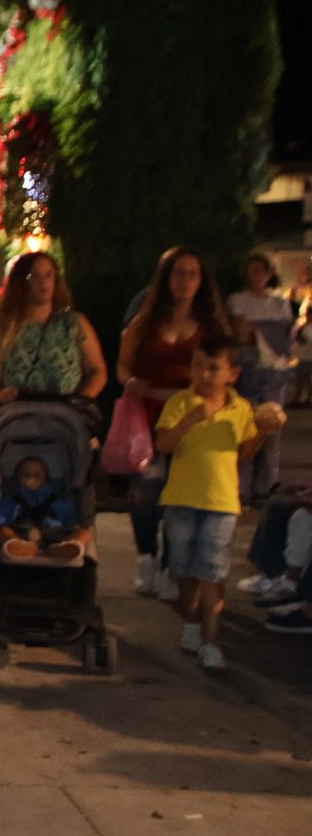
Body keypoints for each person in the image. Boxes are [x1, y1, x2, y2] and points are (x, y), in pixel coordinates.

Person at [152, 333, 279, 671]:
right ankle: (191, 625)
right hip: (181, 499)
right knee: (183, 568)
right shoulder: (180, 402)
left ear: (231, 374)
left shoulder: (240, 409)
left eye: (213, 368)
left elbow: (244, 452)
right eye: (198, 366)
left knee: (212, 571)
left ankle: (211, 641)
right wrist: (190, 420)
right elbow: (163, 445)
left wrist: (264, 431)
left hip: (221, 503)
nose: (205, 375)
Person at [119, 247, 235, 596]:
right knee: (143, 494)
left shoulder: (211, 325)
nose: (185, 281)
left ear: (202, 281)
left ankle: (173, 566)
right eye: (178, 273)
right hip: (149, 418)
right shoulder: (146, 319)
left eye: (192, 274)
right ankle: (147, 556)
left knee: (180, 497)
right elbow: (123, 365)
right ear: (167, 278)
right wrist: (130, 382)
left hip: (192, 420)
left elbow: (225, 367)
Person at [0, 251, 107, 405]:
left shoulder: (74, 323)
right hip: (16, 412)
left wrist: (82, 400)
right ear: (22, 282)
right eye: (35, 276)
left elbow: (97, 370)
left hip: (65, 413)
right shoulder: (2, 323)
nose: (43, 283)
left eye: (48, 275)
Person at [227, 252, 295, 507]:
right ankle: (243, 489)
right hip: (249, 370)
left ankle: (265, 488)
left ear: (269, 273)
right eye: (251, 270)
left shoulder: (280, 303)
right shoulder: (237, 300)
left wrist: (260, 328)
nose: (256, 275)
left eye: (260, 270)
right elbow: (240, 332)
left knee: (271, 428)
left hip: (274, 372)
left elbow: (284, 338)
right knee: (248, 426)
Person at [0, 456, 92, 561]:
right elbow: (2, 517)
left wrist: (70, 524)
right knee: (0, 530)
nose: (32, 477)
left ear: (46, 478)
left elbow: (69, 517)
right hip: (22, 532)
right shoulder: (13, 497)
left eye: (37, 475)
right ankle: (17, 546)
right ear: (17, 478)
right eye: (26, 475)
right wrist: (3, 525)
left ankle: (68, 547)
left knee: (85, 531)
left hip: (53, 532)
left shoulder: (55, 496)